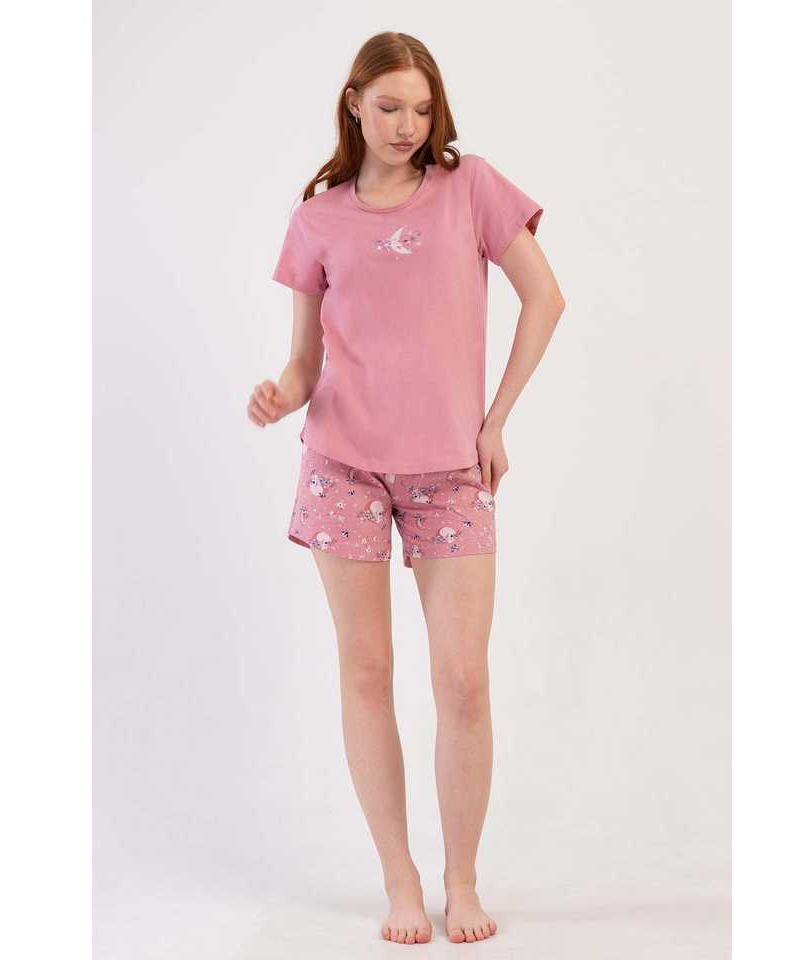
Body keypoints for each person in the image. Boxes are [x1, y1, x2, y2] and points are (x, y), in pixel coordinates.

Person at [248, 31, 565, 945]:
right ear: (354, 104)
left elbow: (546, 298)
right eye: (389, 107)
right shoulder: (318, 219)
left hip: (449, 472)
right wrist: (281, 395)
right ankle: (399, 880)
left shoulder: (471, 188)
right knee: (368, 672)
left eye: (422, 109)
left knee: (463, 681)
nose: (407, 125)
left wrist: (495, 420)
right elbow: (305, 363)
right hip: (342, 466)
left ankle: (462, 880)